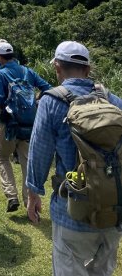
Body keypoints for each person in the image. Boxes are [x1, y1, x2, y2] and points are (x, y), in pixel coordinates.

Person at [27, 41, 122, 276]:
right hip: (113, 210)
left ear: (57, 68)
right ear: (88, 70)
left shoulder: (51, 101)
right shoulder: (113, 100)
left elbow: (40, 152)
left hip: (72, 211)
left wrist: (33, 193)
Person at [0, 40, 50, 212]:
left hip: (9, 124)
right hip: (29, 124)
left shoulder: (1, 75)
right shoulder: (27, 71)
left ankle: (11, 195)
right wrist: (37, 102)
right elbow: (47, 88)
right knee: (26, 161)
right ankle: (28, 201)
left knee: (2, 156)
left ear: (0, 57)